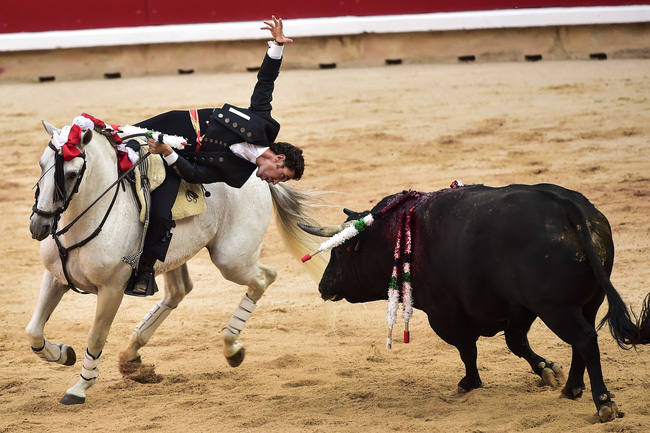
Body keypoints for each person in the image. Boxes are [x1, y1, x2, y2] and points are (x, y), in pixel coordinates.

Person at [127, 16, 304, 296]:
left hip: (177, 161)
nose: (273, 181)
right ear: (278, 159)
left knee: (162, 214)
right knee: (118, 139)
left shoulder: (237, 176)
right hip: (176, 123)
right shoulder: (262, 123)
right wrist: (277, 48)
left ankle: (144, 271)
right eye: (280, 176)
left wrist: (169, 154)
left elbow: (196, 175)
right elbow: (265, 82)